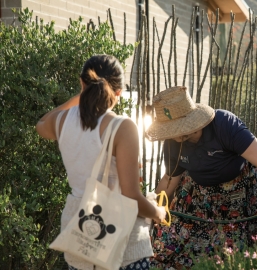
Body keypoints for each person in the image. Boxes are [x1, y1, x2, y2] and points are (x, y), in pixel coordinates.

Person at [145, 86, 257, 269]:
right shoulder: (173, 143)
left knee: (227, 255)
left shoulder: (225, 125)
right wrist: (150, 208)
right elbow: (170, 179)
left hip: (238, 195)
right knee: (173, 247)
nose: (172, 135)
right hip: (199, 196)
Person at [36, 55, 165, 270]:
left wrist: (82, 96)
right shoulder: (122, 127)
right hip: (120, 244)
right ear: (119, 93)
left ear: (82, 83)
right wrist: (158, 213)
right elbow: (131, 196)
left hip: (81, 237)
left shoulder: (60, 122)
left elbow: (41, 123)